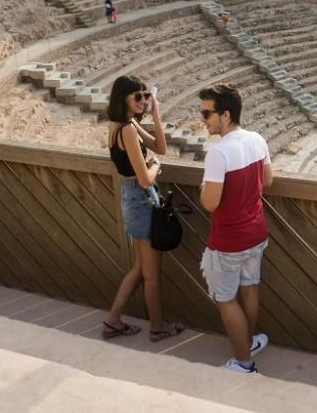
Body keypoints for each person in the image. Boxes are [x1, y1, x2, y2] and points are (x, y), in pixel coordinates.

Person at [198, 84, 273, 374]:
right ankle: (249, 341)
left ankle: (243, 362)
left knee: (225, 299)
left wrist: (205, 185)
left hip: (228, 240)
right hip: (256, 233)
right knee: (250, 290)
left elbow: (210, 202)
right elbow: (267, 180)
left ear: (225, 115)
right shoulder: (256, 139)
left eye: (207, 114)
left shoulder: (218, 153)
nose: (203, 120)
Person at [103, 76, 185, 343]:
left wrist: (156, 113)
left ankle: (113, 321)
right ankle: (158, 327)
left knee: (139, 269)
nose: (143, 100)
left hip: (134, 199)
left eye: (145, 95)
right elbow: (145, 178)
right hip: (141, 199)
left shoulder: (123, 124)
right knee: (151, 275)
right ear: (123, 98)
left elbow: (160, 146)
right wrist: (155, 166)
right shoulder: (126, 129)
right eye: (137, 96)